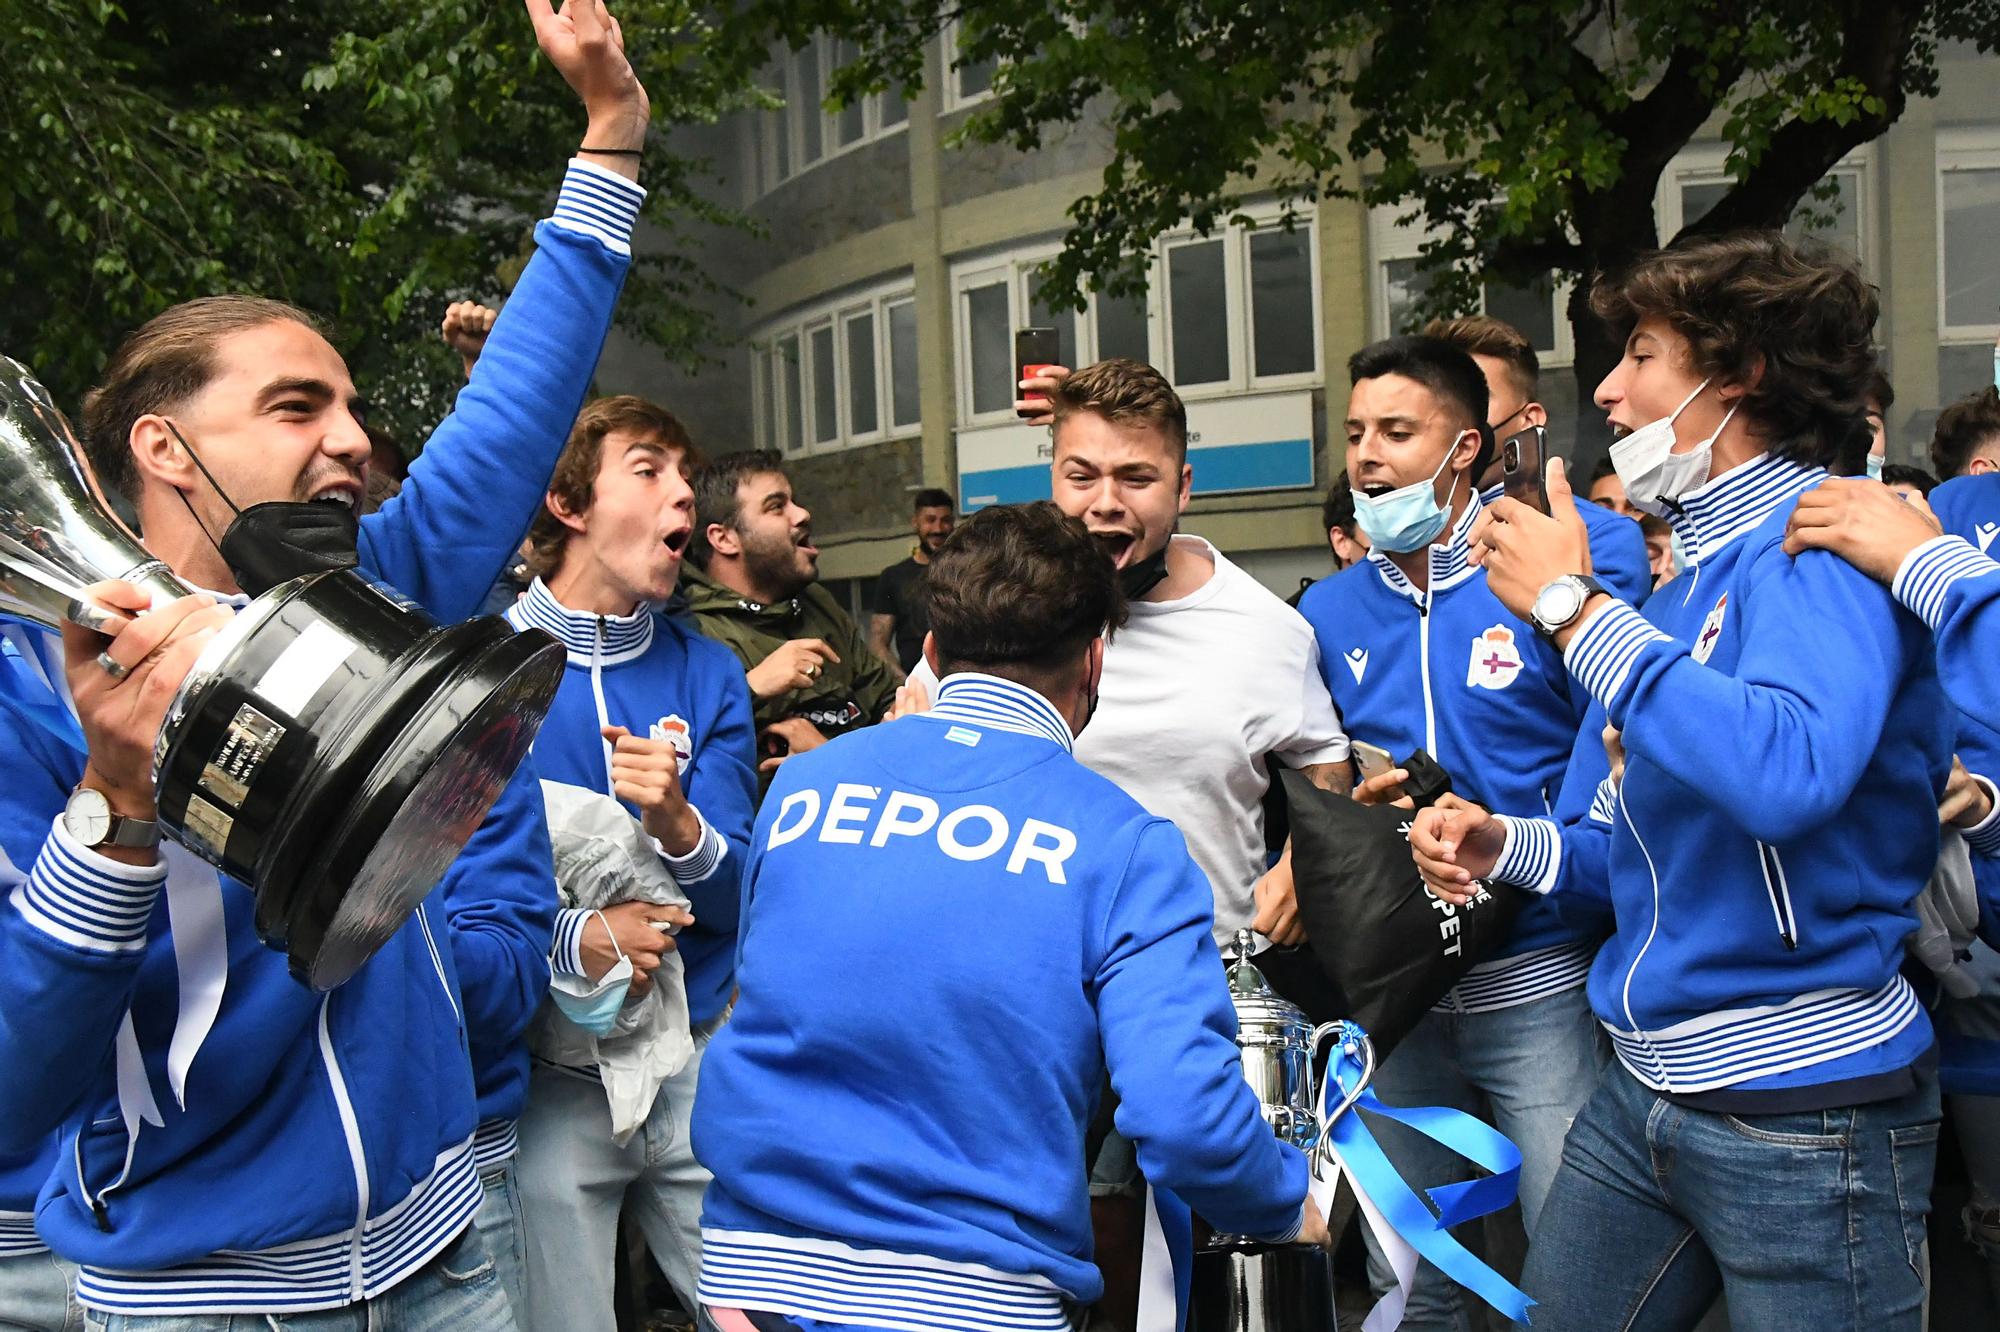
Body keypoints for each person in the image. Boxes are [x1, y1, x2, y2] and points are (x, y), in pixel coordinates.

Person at [0, 1, 650, 1324]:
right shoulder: (37, 685)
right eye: (298, 408)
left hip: (447, 1256)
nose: (353, 439)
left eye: (354, 406)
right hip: (202, 1295)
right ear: (162, 448)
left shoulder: (372, 592)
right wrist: (118, 806)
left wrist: (613, 137)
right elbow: (17, 1075)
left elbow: (513, 411)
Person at [1416, 231, 1951, 1330]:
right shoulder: (1680, 583)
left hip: (1805, 1110)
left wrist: (1571, 611)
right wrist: (1500, 845)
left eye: (1641, 355)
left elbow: (1786, 774)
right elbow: (1633, 845)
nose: (1606, 390)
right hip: (1647, 1088)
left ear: (1739, 371)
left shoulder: (1824, 540)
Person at [691, 501, 1329, 1330]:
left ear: (930, 652)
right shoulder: (1126, 845)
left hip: (752, 1282)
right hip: (971, 1293)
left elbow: (766, 986)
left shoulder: (806, 786)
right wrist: (1283, 1205)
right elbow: (1183, 1115)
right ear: (1095, 662)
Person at [1295, 336, 1608, 1331]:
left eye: (1396, 431)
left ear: (1464, 445)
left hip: (1538, 984)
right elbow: (1327, 791)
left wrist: (1507, 840)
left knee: (1573, 1267)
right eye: (1354, 434)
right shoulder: (1328, 609)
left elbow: (1610, 771)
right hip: (1405, 999)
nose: (1367, 456)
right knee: (1420, 1275)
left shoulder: (1542, 572)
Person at [497, 396, 757, 1327]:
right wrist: (576, 937)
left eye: (687, 477)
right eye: (649, 470)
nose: (682, 493)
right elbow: (441, 895)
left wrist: (680, 824)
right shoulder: (480, 668)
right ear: (569, 504)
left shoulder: (709, 672)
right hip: (549, 1085)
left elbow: (737, 900)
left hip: (698, 1071)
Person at [681, 450, 899, 773]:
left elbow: (885, 695)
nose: (802, 514)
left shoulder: (816, 603)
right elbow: (680, 744)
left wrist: (904, 722)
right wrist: (750, 689)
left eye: (793, 502)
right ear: (724, 539)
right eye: (776, 506)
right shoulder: (693, 630)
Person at [1425, 314, 1652, 606]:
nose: (1448, 415)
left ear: (1528, 420)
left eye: (1473, 397)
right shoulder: (1402, 537)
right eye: (1433, 399)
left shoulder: (1603, 538)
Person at [868, 487, 955, 672]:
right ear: (915, 523)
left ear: (953, 523)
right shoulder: (893, 577)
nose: (938, 529)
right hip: (915, 688)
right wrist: (906, 684)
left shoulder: (964, 572)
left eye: (945, 521)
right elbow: (878, 645)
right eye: (930, 520)